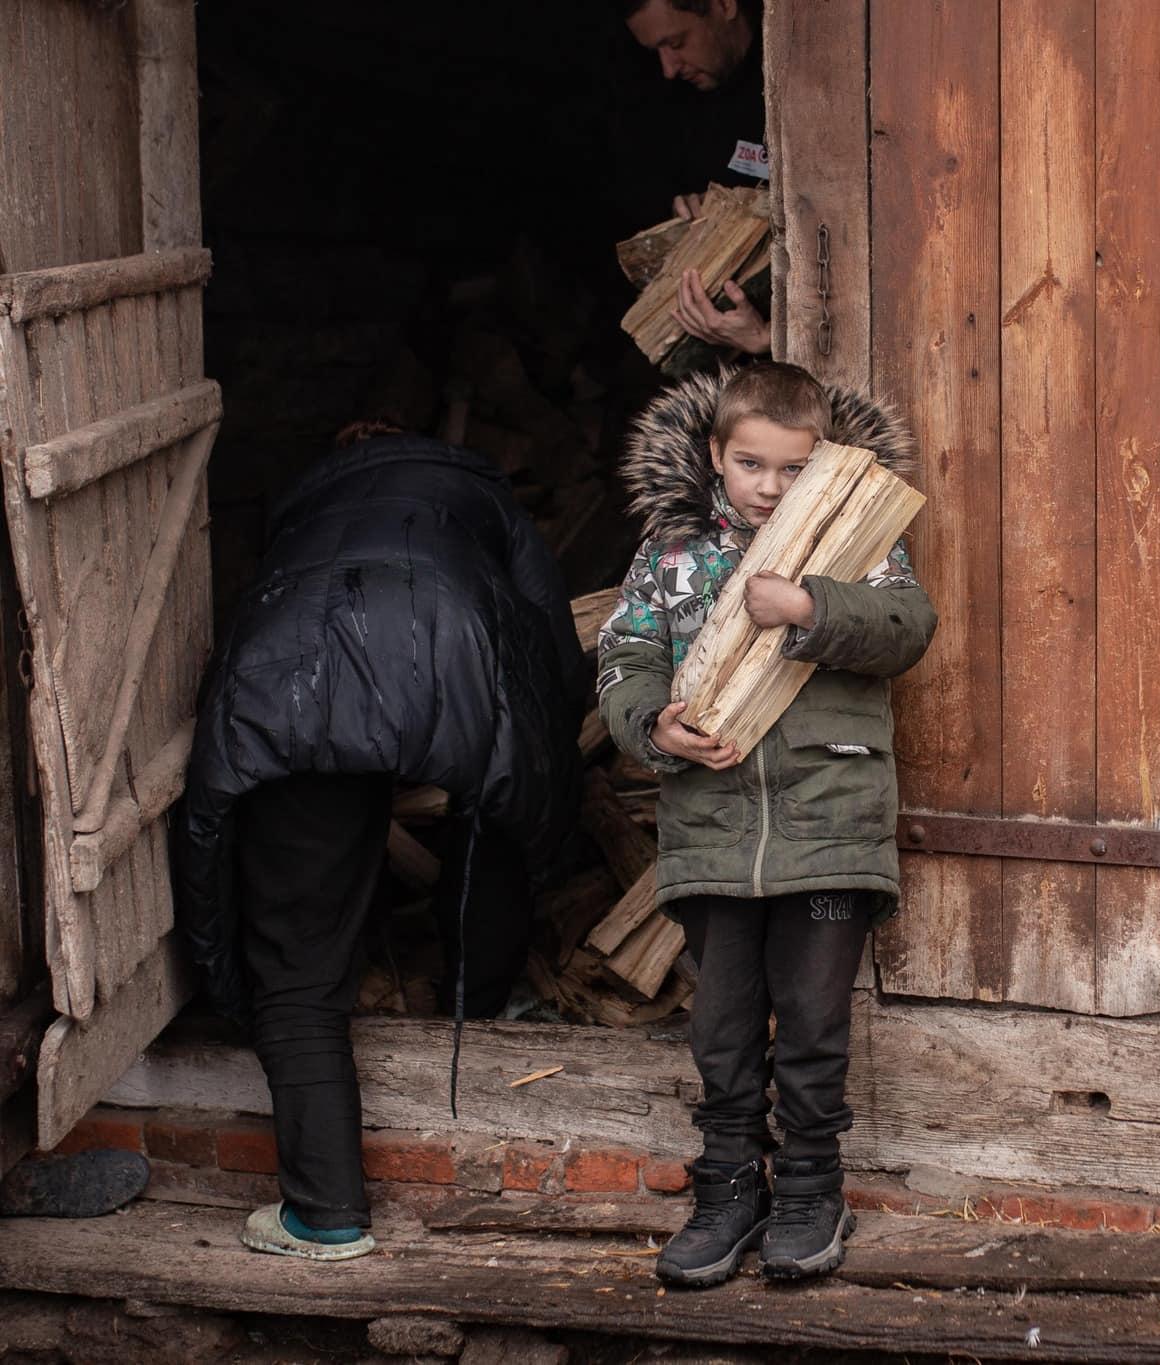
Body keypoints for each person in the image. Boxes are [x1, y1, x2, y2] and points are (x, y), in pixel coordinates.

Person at [173, 422, 585, 1261]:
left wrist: (220, 978)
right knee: (493, 814)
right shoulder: (480, 497)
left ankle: (324, 1213)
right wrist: (545, 774)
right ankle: (480, 993)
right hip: (453, 663)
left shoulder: (303, 511)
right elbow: (555, 655)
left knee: (296, 971)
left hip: (289, 691)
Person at [596, 362, 934, 1286]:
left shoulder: (855, 541)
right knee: (724, 1025)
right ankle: (729, 1186)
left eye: (792, 468)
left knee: (817, 1018)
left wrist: (811, 605)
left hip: (830, 826)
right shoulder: (669, 555)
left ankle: (812, 1189)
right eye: (751, 465)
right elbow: (624, 656)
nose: (770, 487)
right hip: (713, 832)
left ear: (820, 461)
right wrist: (654, 725)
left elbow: (908, 625)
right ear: (716, 455)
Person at [615, 0, 772, 358]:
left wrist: (773, 336)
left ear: (725, 5)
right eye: (656, 51)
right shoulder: (677, 107)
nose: (668, 68)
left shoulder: (805, 76)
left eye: (676, 42)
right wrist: (681, 212)